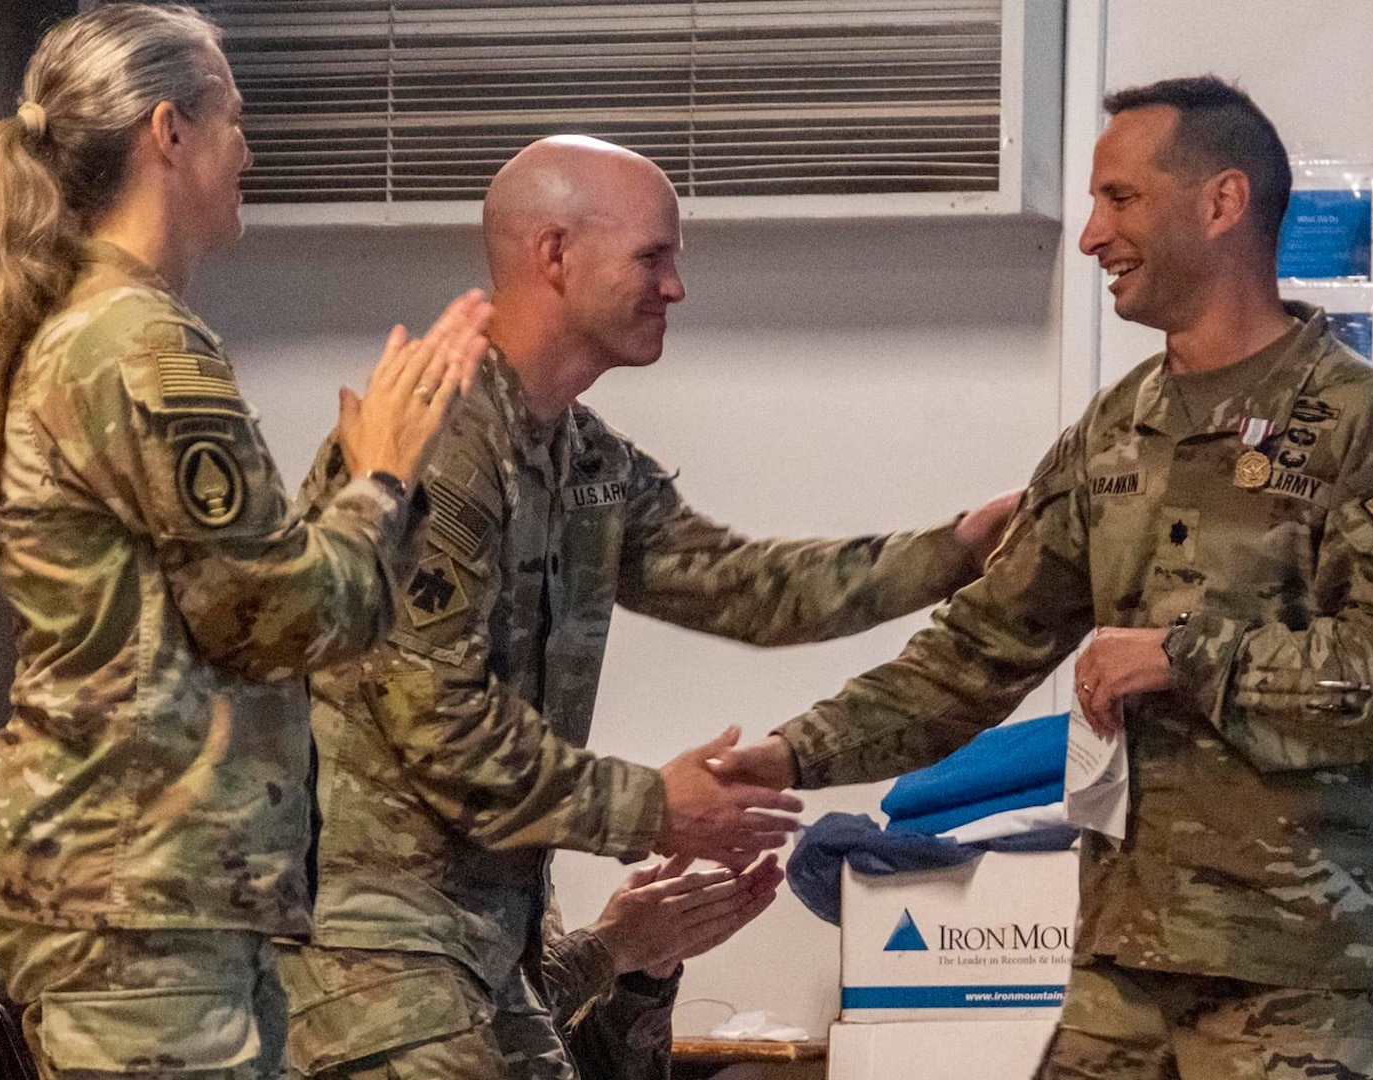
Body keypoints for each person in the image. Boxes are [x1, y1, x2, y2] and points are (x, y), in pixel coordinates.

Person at [717, 77, 1373, 1079]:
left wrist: (1183, 656)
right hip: (1127, 964)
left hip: (1310, 981)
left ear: (1221, 203)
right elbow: (975, 652)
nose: (1090, 235)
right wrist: (788, 755)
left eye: (1119, 199)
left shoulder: (1366, 430)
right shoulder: (1112, 435)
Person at [279, 134, 1021, 1079]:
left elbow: (749, 586)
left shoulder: (584, 459)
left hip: (484, 948)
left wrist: (953, 551)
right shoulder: (439, 439)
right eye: (652, 256)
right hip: (367, 947)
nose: (676, 288)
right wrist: (653, 808)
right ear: (553, 255)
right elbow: (438, 727)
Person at [0, 5, 489, 1077]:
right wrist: (382, 477)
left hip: (149, 895)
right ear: (167, 132)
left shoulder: (98, 330)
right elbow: (277, 617)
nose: (248, 150)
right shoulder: (141, 344)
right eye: (233, 120)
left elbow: (229, 601)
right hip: (142, 900)